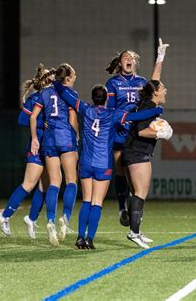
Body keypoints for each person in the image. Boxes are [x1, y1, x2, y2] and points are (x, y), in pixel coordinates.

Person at [53, 82, 164, 249]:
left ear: (93, 98)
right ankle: (90, 239)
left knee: (86, 201)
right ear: (106, 99)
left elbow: (66, 95)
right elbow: (136, 117)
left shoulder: (84, 109)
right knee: (97, 202)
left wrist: (55, 82)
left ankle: (80, 237)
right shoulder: (113, 114)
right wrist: (156, 111)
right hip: (102, 164)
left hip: (85, 162)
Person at [105, 39, 169, 227]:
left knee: (135, 179)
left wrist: (160, 57)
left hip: (135, 131)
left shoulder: (141, 82)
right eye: (126, 57)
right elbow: (109, 110)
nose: (129, 59)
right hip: (120, 131)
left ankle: (134, 211)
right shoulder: (113, 83)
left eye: (132, 57)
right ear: (120, 62)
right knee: (120, 171)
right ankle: (122, 208)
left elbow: (155, 83)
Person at [0, 64, 53, 240]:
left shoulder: (54, 98)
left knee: (45, 187)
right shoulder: (35, 98)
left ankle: (31, 219)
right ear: (43, 82)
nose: (53, 81)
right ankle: (5, 215)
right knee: (28, 184)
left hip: (50, 147)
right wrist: (39, 122)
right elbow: (23, 119)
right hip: (37, 147)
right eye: (49, 79)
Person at [30, 63, 79, 246]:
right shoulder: (71, 94)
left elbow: (33, 116)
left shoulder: (44, 93)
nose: (75, 77)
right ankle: (65, 217)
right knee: (71, 181)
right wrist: (78, 138)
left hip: (49, 139)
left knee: (54, 182)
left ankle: (50, 220)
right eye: (74, 75)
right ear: (67, 78)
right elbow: (73, 121)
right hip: (66, 138)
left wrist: (35, 138)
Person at [123, 80, 173, 249]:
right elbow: (142, 131)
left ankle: (135, 228)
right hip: (137, 152)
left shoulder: (147, 104)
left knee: (139, 192)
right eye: (163, 88)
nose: (166, 90)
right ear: (156, 92)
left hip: (135, 151)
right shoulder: (148, 106)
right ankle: (133, 232)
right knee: (140, 192)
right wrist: (160, 133)